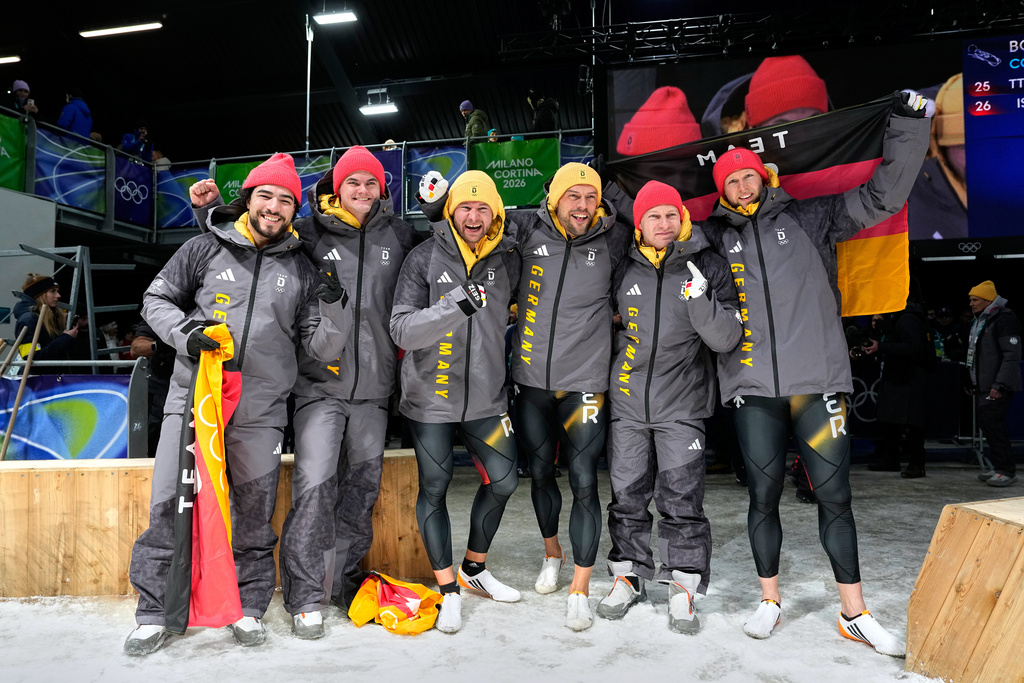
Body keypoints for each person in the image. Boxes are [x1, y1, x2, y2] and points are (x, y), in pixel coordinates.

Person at [703, 91, 930, 656]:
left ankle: (854, 613)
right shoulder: (712, 239)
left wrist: (906, 127)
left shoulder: (811, 216)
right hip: (753, 391)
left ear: (764, 177)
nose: (742, 187)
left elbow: (883, 196)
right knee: (763, 497)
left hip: (818, 383)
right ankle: (769, 600)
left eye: (749, 177)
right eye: (731, 182)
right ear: (721, 190)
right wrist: (609, 188)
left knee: (835, 497)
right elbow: (651, 225)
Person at [124, 153, 352, 655]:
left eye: (286, 199)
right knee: (170, 505)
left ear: (295, 209)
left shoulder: (300, 266)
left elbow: (322, 348)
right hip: (194, 402)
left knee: (253, 513)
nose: (275, 206)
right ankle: (154, 611)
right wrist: (188, 335)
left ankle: (246, 609)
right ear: (248, 198)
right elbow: (155, 301)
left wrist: (335, 305)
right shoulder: (202, 247)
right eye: (266, 195)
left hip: (261, 411)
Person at [600, 181, 742, 634]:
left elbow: (725, 339)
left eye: (670, 215)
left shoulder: (708, 267)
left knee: (682, 500)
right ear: (638, 223)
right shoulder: (623, 267)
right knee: (627, 498)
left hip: (682, 405)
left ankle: (684, 586)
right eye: (653, 217)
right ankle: (628, 576)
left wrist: (699, 298)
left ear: (683, 217)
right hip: (627, 403)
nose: (664, 224)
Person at [391, 171, 521, 634]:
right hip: (431, 400)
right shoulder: (423, 257)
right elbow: (402, 328)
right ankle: (448, 590)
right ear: (450, 211)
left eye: (483, 207)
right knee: (436, 487)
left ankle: (474, 568)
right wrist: (454, 305)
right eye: (465, 207)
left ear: (495, 215)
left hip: (487, 398)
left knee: (505, 481)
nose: (473, 215)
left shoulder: (507, 257)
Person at [506, 162, 632, 631]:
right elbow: (474, 226)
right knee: (539, 473)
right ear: (554, 198)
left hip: (585, 381)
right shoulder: (525, 229)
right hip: (532, 379)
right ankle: (552, 554)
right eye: (572, 197)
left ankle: (580, 586)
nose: (582, 206)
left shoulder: (615, 239)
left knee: (583, 478)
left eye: (590, 197)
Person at [864, 299, 933, 478]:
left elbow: (912, 347)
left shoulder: (908, 318)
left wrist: (881, 346)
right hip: (899, 376)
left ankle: (917, 465)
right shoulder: (900, 317)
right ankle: (891, 460)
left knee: (911, 422)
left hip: (909, 377)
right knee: (890, 420)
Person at [966, 280, 1022, 487]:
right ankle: (1000, 467)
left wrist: (999, 384)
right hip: (984, 384)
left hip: (997, 385)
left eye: (975, 300)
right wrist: (971, 380)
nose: (971, 304)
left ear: (988, 300)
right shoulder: (982, 320)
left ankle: (1006, 470)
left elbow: (1011, 355)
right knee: (988, 426)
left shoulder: (1004, 319)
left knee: (995, 426)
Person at [13, 274, 80, 373]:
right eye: (53, 291)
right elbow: (31, 358)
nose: (58, 295)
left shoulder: (50, 316)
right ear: (40, 295)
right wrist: (65, 338)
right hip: (37, 384)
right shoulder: (28, 319)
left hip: (51, 381)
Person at [129, 320, 176, 456]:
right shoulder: (159, 312)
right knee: (154, 446)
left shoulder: (207, 311)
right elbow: (136, 349)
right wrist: (159, 345)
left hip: (201, 389)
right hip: (160, 392)